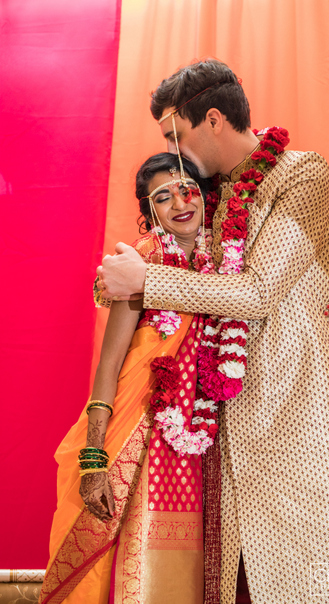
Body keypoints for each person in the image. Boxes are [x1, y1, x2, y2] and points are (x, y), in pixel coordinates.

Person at [96, 59, 329, 604]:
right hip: (227, 440)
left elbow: (256, 293)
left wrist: (144, 280)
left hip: (299, 425)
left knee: (315, 587)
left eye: (177, 136)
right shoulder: (214, 197)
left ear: (215, 120)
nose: (175, 155)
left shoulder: (301, 174)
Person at [39, 153, 216, 604]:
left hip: (214, 438)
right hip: (142, 437)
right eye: (162, 196)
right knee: (131, 548)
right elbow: (110, 365)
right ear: (149, 211)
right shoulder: (138, 266)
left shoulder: (234, 263)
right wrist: (94, 458)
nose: (179, 202)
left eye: (186, 188)